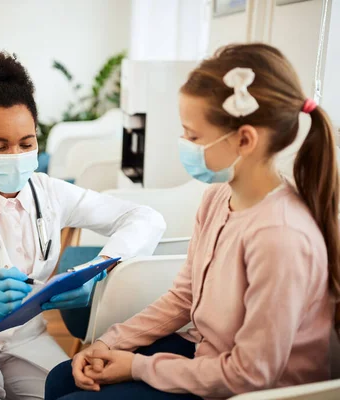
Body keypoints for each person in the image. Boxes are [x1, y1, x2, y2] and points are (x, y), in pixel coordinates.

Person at [45, 43, 339, 400]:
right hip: (206, 355)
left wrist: (136, 366)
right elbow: (184, 296)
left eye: (193, 135)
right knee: (60, 380)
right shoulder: (218, 197)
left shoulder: (280, 235)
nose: (184, 143)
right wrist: (109, 343)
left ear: (244, 140)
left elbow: (250, 375)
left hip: (249, 389)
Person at [0, 51, 166, 400]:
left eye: (26, 143)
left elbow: (146, 219)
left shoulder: (50, 194)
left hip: (24, 339)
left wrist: (94, 273)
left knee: (69, 393)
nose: (15, 156)